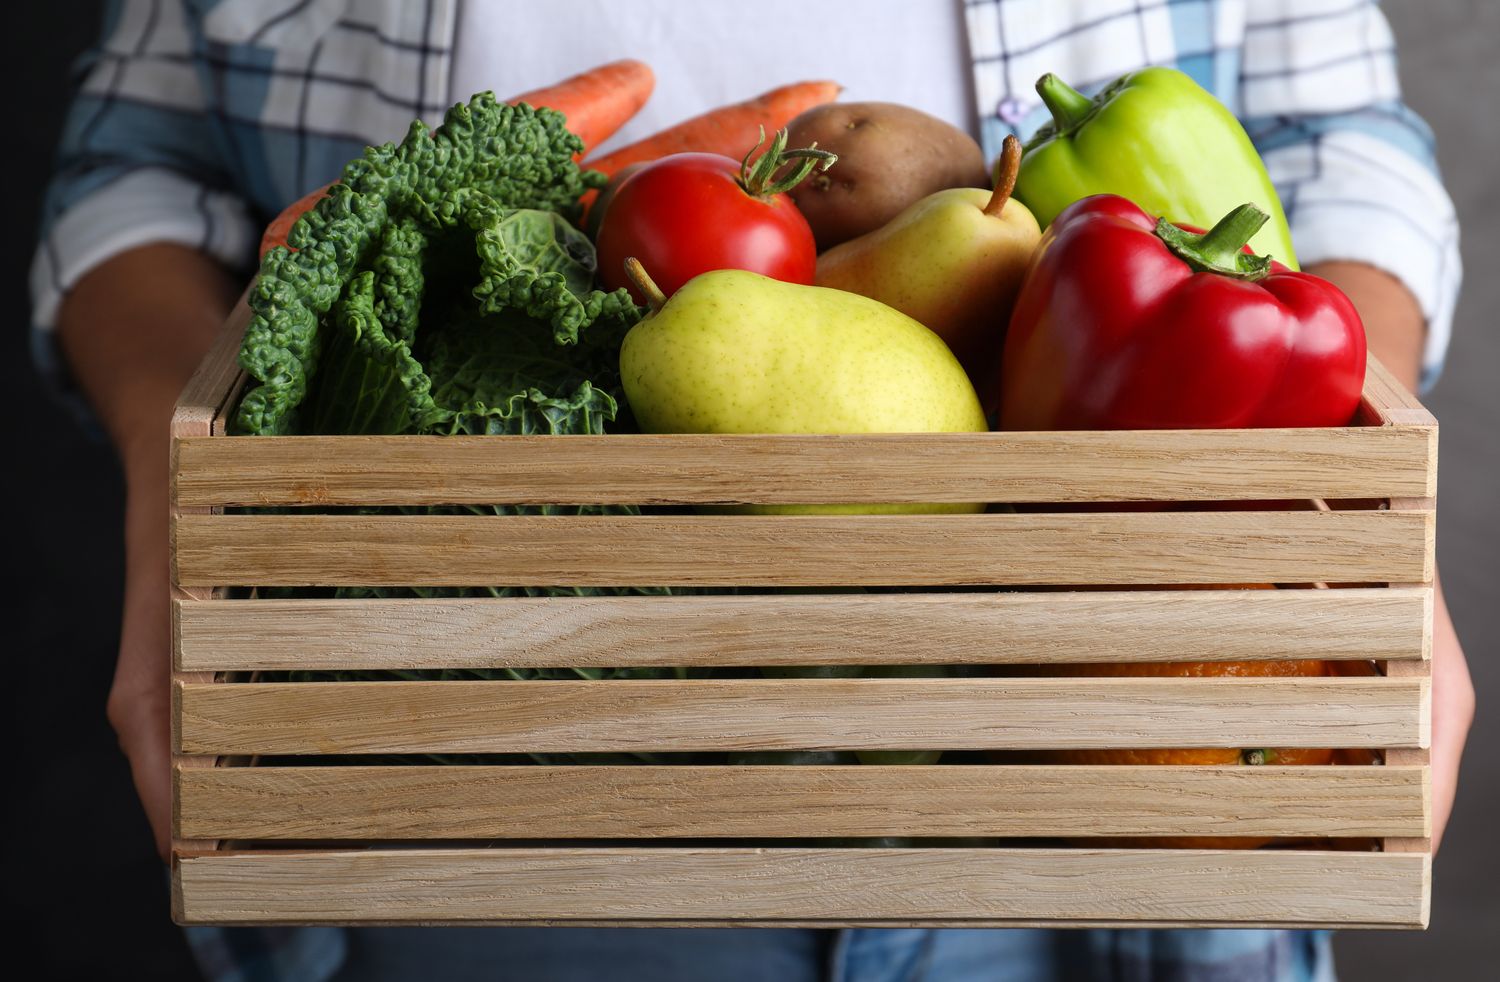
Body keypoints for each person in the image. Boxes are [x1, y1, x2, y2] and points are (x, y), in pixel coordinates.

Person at [33, 1, 1473, 980]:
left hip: (1089, 807)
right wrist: (187, 488)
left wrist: (1347, 496)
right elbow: (135, 167)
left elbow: (1341, 158)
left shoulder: (1070, 234)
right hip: (477, 802)